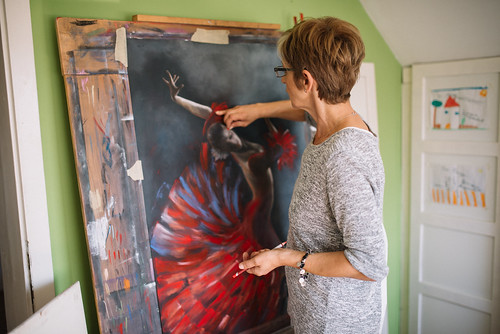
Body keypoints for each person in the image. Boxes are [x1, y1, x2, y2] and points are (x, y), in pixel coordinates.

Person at [216, 17, 388, 334]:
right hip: (315, 315)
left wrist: (285, 257)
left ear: (306, 80)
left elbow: (370, 264)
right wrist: (257, 110)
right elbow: (306, 109)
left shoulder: (343, 157)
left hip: (336, 323)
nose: (282, 80)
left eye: (285, 72)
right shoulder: (332, 122)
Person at [149, 71, 298, 332]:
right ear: (226, 146)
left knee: (270, 260)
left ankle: (270, 307)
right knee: (272, 260)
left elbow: (209, 114)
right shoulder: (251, 159)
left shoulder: (242, 145)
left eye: (230, 131)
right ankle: (268, 310)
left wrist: (178, 98)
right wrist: (276, 139)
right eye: (228, 138)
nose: (233, 135)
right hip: (258, 215)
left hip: (257, 212)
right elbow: (275, 151)